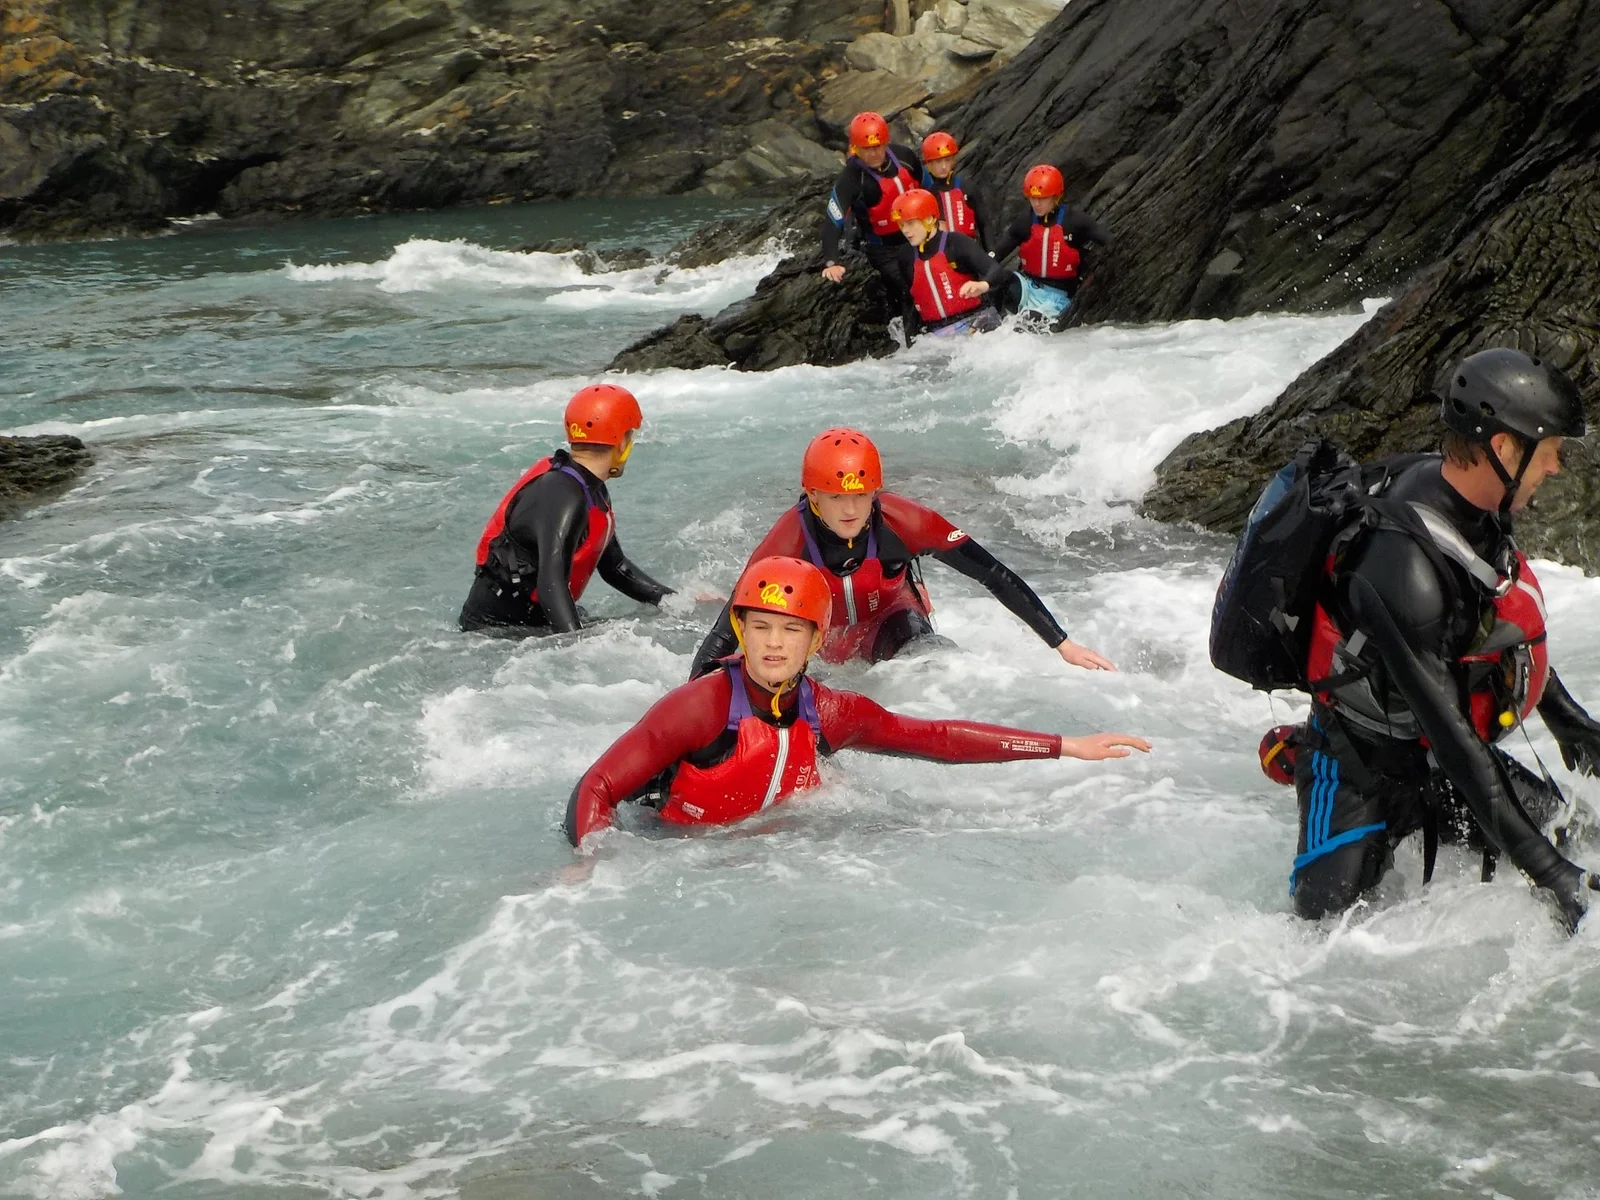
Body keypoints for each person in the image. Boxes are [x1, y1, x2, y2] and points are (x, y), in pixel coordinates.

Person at [1286, 348, 1600, 930]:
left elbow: (1492, 625)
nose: (1555, 467)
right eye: (1550, 451)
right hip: (1360, 765)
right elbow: (1453, 738)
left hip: (1438, 757)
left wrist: (1569, 723)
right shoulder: (1401, 568)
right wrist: (1549, 873)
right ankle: (1296, 758)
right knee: (1322, 932)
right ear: (1504, 449)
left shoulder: (1479, 506)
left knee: (1586, 845)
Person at [566, 555, 1150, 845]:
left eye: (791, 630)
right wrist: (588, 874)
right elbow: (597, 787)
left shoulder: (832, 712)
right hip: (672, 849)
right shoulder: (701, 707)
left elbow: (934, 740)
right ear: (739, 631)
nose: (774, 644)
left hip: (764, 856)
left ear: (816, 641)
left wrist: (1065, 745)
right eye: (761, 627)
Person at [690, 428, 1116, 674]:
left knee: (932, 668)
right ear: (812, 496)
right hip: (822, 645)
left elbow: (993, 574)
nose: (852, 509)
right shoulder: (786, 543)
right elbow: (730, 630)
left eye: (861, 496)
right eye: (837, 498)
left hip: (892, 621)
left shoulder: (907, 522)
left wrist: (1061, 643)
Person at [459, 383, 672, 634]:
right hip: (493, 635)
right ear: (622, 442)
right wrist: (578, 647)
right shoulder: (564, 496)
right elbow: (551, 585)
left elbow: (615, 568)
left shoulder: (587, 487)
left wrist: (676, 601)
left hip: (531, 625)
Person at [992, 164, 1110, 326]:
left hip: (1059, 297)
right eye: (1033, 198)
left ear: (1056, 196)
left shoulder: (1076, 221)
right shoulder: (1024, 222)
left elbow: (1110, 242)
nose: (1037, 204)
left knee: (1031, 321)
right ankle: (998, 322)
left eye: (1043, 198)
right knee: (997, 279)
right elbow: (995, 255)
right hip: (1028, 288)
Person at [820, 112, 922, 290]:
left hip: (921, 237)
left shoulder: (905, 157)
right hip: (886, 251)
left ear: (886, 142)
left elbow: (930, 189)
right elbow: (833, 220)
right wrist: (831, 262)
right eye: (867, 149)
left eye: (878, 146)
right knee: (912, 289)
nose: (874, 153)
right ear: (855, 149)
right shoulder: (850, 179)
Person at [888, 189, 1008, 338]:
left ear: (930, 219)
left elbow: (997, 271)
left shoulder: (956, 243)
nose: (905, 231)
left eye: (910, 223)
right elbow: (909, 302)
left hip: (976, 322)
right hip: (937, 334)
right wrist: (910, 343)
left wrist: (982, 285)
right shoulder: (905, 256)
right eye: (901, 225)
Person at [919, 131, 983, 247]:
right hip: (943, 255)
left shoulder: (967, 187)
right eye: (938, 161)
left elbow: (984, 224)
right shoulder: (927, 196)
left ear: (954, 160)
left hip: (970, 250)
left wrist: (991, 253)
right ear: (928, 164)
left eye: (947, 160)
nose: (943, 166)